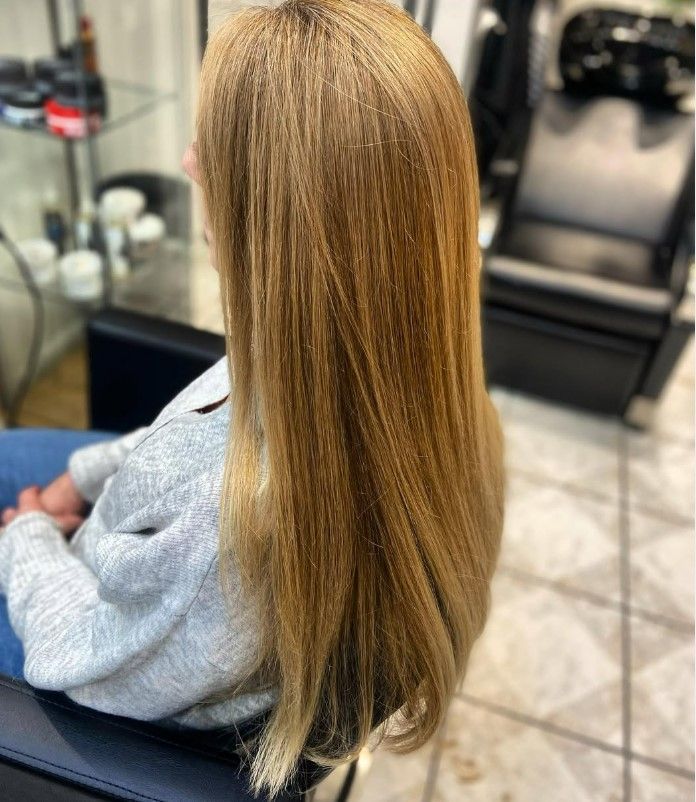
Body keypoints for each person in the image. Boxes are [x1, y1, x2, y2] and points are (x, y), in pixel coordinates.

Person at [0, 0, 505, 795]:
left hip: (88, 645)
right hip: (141, 561)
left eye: (219, 144)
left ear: (284, 216)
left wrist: (28, 536)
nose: (190, 160)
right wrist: (79, 480)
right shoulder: (397, 382)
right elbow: (189, 437)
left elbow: (82, 657)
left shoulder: (228, 521)